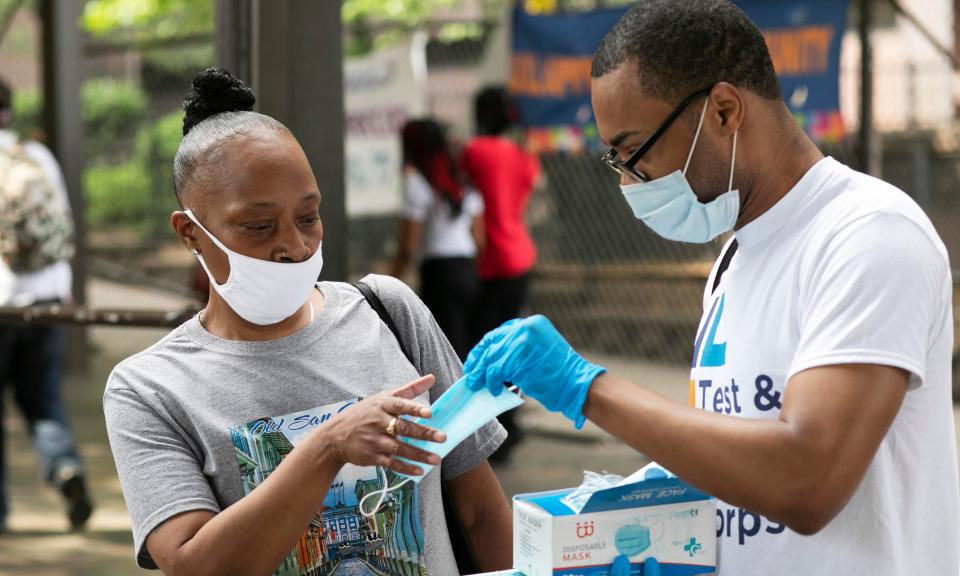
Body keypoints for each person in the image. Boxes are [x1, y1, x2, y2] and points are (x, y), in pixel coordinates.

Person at [463, 2, 960, 575]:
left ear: (723, 110)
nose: (629, 182)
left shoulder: (868, 235)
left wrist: (588, 388)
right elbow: (735, 454)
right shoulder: (734, 259)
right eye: (615, 159)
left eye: (635, 152)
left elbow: (808, 479)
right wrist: (617, 521)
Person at [103, 68, 512, 575]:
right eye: (258, 226)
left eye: (308, 217)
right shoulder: (148, 389)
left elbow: (482, 512)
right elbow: (193, 566)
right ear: (190, 232)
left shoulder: (388, 311)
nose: (293, 248)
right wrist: (327, 447)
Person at [0, 78, 92, 532]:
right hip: (48, 298)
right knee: (43, 398)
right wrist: (63, 286)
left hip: (1, 303)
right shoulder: (35, 156)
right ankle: (64, 468)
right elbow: (63, 228)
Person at [462, 86, 541, 460]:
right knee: (509, 347)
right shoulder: (524, 157)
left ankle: (502, 431)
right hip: (520, 257)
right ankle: (512, 424)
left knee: (483, 351)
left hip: (491, 262)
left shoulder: (474, 152)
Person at [391, 119, 484, 361]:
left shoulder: (417, 182)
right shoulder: (460, 178)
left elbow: (409, 245)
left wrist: (390, 279)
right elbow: (479, 237)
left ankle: (456, 400)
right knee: (466, 348)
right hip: (467, 268)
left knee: (446, 354)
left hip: (439, 273)